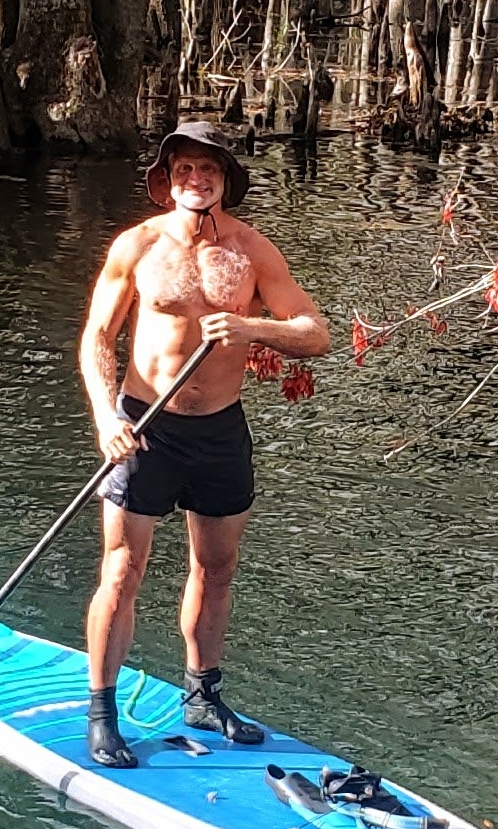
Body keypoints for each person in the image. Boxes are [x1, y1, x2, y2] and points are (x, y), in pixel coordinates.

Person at [78, 122, 330, 769]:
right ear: (167, 179)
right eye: (185, 169)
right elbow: (97, 339)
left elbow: (314, 333)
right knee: (122, 570)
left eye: (208, 170)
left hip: (220, 431)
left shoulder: (251, 253)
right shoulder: (136, 246)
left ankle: (202, 695)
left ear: (225, 181)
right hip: (144, 427)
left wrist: (253, 326)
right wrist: (106, 415)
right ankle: (102, 713)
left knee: (216, 570)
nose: (197, 180)